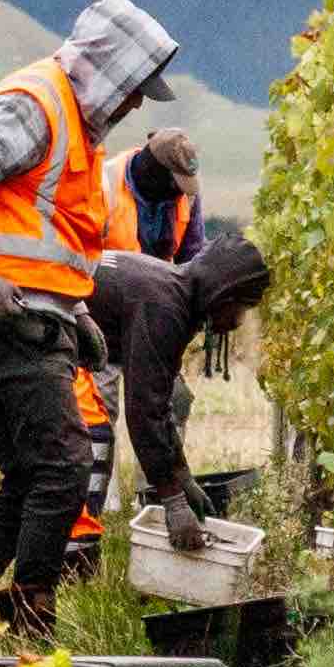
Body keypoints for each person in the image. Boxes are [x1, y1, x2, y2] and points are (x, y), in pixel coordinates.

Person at [0, 0, 179, 640]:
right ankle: (31, 626)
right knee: (64, 463)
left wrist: (79, 311)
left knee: (35, 471)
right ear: (110, 71)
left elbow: (52, 233)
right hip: (9, 320)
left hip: (42, 318)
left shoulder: (77, 126)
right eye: (135, 88)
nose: (137, 104)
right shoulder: (34, 105)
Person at [89, 229, 272, 553]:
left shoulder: (173, 290)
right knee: (67, 457)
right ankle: (66, 564)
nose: (239, 321)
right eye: (241, 308)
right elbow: (144, 411)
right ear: (222, 294)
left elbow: (160, 405)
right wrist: (174, 501)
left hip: (37, 328)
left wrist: (183, 476)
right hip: (21, 330)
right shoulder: (164, 307)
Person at [122, 128, 204, 264]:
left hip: (161, 281)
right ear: (154, 170)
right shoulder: (105, 187)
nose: (180, 192)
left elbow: (192, 257)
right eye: (175, 183)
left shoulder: (187, 195)